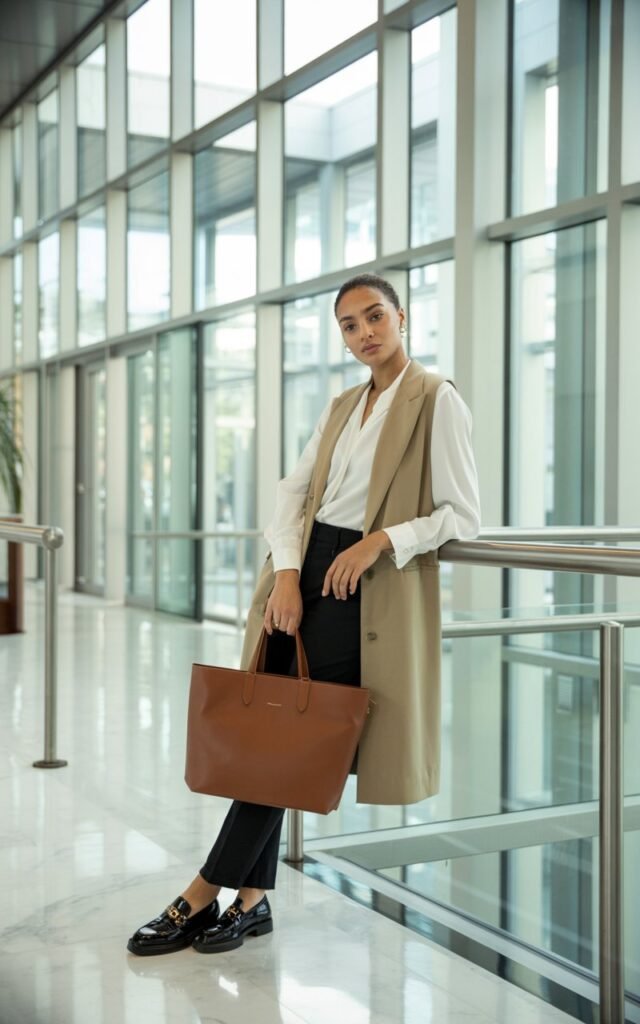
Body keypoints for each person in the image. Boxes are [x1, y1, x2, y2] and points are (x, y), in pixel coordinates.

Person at [127, 272, 481, 957]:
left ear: (402, 316)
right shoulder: (344, 404)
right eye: (349, 325)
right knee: (271, 729)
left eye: (374, 316)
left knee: (289, 739)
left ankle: (201, 893)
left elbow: (462, 514)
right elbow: (292, 494)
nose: (364, 333)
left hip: (361, 585)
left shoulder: (436, 400)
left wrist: (382, 540)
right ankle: (252, 901)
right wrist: (288, 572)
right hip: (302, 570)